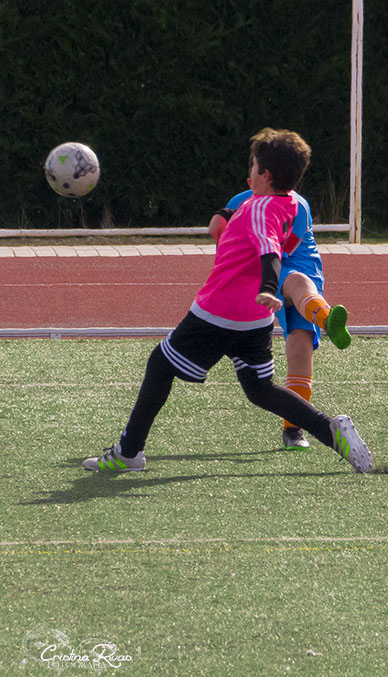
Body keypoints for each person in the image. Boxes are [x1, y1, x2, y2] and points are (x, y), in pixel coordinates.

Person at [83, 128, 372, 474]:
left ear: (265, 175)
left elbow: (270, 252)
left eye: (253, 166)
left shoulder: (259, 209)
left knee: (160, 364)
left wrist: (269, 286)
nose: (249, 172)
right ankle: (331, 432)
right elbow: (269, 235)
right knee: (259, 389)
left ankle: (129, 453)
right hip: (254, 319)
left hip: (218, 313)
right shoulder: (290, 204)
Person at [209, 185, 351, 450]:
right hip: (259, 268)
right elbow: (226, 250)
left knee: (300, 345)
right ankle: (326, 318)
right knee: (298, 285)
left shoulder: (299, 206)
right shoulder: (238, 203)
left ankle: (292, 430)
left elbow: (281, 252)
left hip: (295, 263)